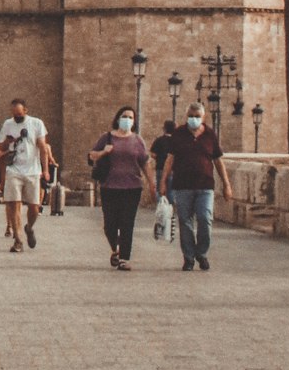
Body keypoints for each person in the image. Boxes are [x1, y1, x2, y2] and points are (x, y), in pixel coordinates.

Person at [160, 101, 233, 271]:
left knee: (205, 218)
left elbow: (218, 161)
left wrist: (226, 184)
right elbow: (170, 159)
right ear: (186, 117)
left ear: (203, 117)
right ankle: (189, 258)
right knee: (185, 222)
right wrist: (163, 182)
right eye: (191, 116)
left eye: (197, 116)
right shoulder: (178, 134)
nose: (194, 119)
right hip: (182, 186)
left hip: (205, 186)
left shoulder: (209, 134)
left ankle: (202, 252)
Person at [89, 105, 156, 270]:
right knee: (109, 224)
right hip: (109, 186)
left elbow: (145, 163)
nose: (128, 120)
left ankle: (124, 258)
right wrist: (104, 152)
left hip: (132, 187)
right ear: (118, 118)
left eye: (131, 117)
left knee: (127, 223)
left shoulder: (137, 140)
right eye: (125, 116)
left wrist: (152, 183)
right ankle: (115, 249)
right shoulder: (107, 138)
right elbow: (92, 156)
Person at [0, 97, 50, 254]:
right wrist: (4, 150)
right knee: (14, 204)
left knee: (34, 207)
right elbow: (0, 147)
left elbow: (43, 147)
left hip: (33, 170)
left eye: (19, 114)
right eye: (14, 114)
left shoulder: (36, 123)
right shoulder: (8, 124)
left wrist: (45, 170)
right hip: (14, 169)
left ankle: (29, 227)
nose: (17, 117)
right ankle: (18, 240)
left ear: (25, 111)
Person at [150, 120, 176, 199]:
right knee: (171, 191)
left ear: (164, 129)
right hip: (172, 169)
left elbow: (153, 154)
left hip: (160, 168)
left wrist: (159, 157)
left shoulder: (159, 140)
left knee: (160, 190)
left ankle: (161, 207)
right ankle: (171, 207)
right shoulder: (175, 141)